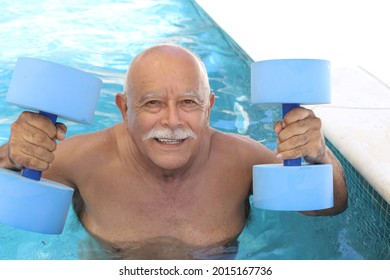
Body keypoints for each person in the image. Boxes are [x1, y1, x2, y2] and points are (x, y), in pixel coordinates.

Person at [0, 44, 347, 259]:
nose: (171, 120)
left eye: (188, 102)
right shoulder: (82, 159)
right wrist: (13, 155)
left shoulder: (241, 160)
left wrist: (319, 153)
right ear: (124, 109)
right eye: (152, 103)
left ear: (209, 107)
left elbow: (329, 207)